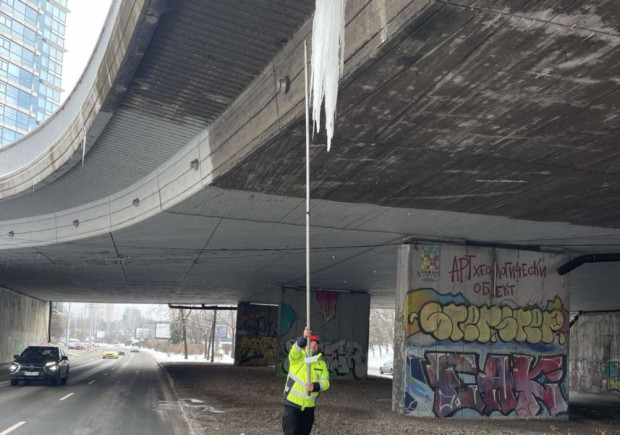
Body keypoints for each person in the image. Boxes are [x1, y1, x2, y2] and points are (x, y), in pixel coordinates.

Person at [282, 326, 330, 435]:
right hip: (292, 404)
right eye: (310, 342)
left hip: (309, 406)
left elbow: (326, 383)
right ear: (305, 346)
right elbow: (294, 350)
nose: (313, 344)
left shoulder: (321, 364)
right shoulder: (297, 358)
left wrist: (315, 386)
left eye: (315, 343)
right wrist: (303, 337)